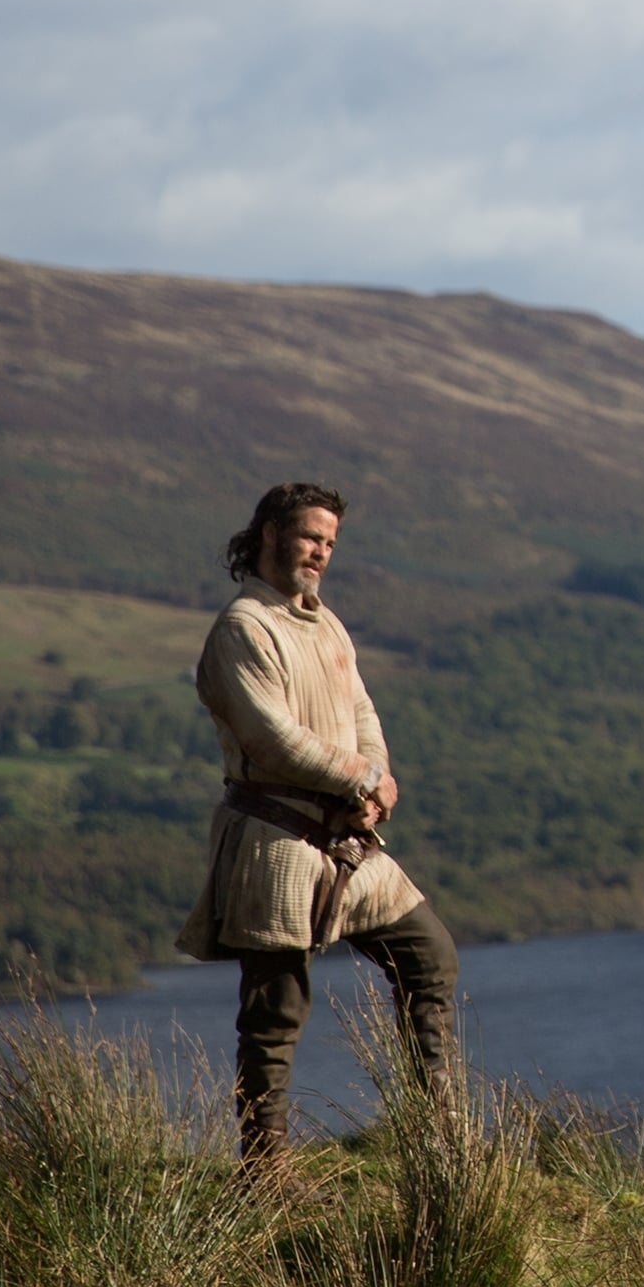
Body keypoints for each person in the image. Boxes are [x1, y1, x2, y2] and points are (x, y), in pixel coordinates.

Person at [178, 480, 460, 1166]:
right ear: (269, 533)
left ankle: (438, 1135)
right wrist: (360, 777)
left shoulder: (324, 622)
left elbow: (361, 712)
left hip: (347, 840)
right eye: (310, 537)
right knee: (275, 1011)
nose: (321, 553)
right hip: (274, 843)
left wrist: (378, 781)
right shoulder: (245, 628)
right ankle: (266, 1164)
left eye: (330, 542)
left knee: (430, 960)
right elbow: (271, 741)